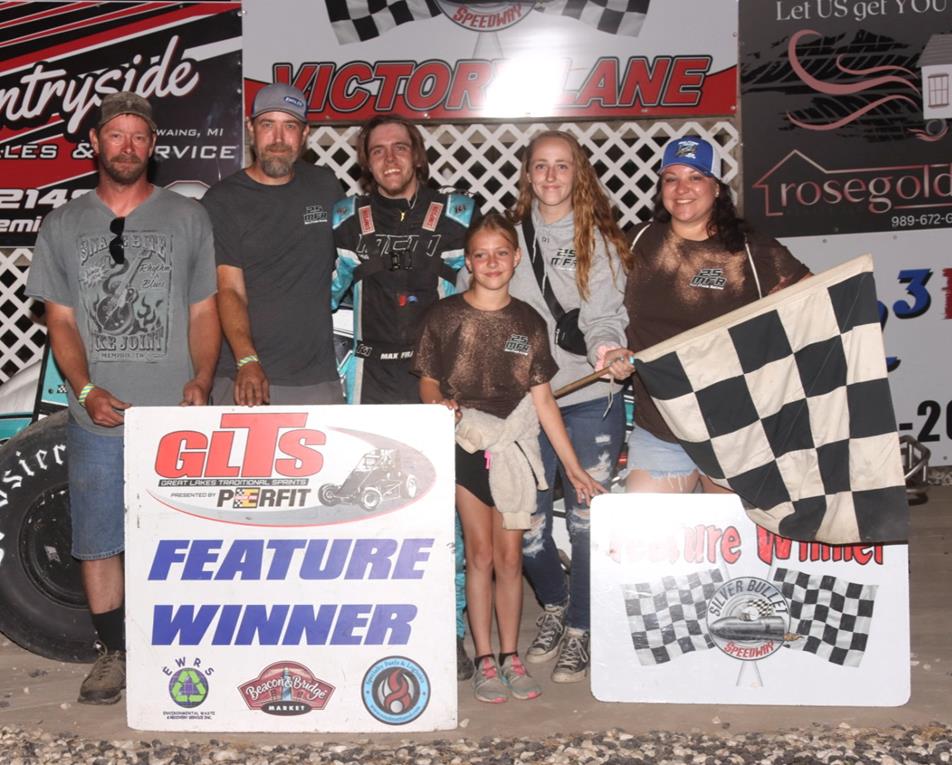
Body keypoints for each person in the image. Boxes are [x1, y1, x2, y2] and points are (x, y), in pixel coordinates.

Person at [25, 92, 220, 704]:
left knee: (182, 537)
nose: (128, 146)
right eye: (116, 135)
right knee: (98, 538)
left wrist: (202, 377)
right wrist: (84, 390)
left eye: (139, 135)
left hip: (175, 416)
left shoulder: (188, 218)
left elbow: (205, 309)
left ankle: (183, 647)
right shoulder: (63, 224)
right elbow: (60, 322)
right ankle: (113, 654)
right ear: (96, 143)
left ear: (153, 145)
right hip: (99, 417)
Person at [413, 212, 605, 703]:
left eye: (501, 253)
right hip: (467, 446)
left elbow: (544, 402)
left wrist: (575, 470)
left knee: (510, 558)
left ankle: (510, 655)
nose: (492, 262)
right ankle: (484, 658)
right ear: (468, 262)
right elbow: (428, 380)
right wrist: (438, 403)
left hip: (515, 449)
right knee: (479, 555)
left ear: (516, 258)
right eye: (481, 255)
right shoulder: (444, 316)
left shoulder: (528, 321)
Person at [331, 116, 477, 680]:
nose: (390, 159)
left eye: (400, 148)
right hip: (369, 380)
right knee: (369, 512)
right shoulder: (346, 217)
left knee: (443, 514)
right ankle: (372, 625)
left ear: (418, 155)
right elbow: (318, 295)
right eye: (377, 151)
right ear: (365, 161)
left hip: (435, 382)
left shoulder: (458, 212)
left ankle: (451, 632)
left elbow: (483, 298)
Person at [491, 130, 633, 684]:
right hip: (524, 403)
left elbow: (604, 316)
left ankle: (580, 627)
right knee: (524, 523)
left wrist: (607, 351)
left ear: (579, 174)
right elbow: (479, 301)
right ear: (527, 174)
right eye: (541, 166)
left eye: (562, 166)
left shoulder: (597, 238)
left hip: (589, 397)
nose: (551, 176)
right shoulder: (505, 236)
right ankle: (553, 603)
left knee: (584, 519)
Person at [624, 134, 810, 493]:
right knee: (645, 526)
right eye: (671, 178)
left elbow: (813, 300)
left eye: (696, 177)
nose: (682, 189)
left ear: (718, 188)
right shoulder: (638, 241)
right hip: (661, 427)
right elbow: (606, 309)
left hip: (734, 427)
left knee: (732, 530)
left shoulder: (750, 249)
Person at [202, 83, 344, 406]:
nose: (278, 139)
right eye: (268, 124)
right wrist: (247, 360)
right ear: (251, 129)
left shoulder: (325, 186)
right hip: (243, 377)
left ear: (305, 133)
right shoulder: (223, 200)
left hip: (316, 377)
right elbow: (229, 289)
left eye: (289, 126)